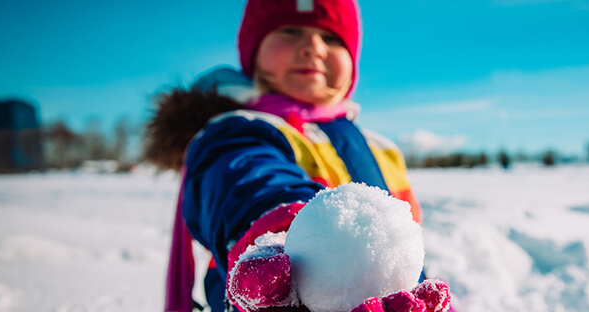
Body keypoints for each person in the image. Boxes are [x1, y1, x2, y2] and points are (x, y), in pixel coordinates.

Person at [144, 1, 430, 311]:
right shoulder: (237, 131)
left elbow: (407, 247)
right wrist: (283, 235)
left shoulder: (381, 149)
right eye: (291, 31)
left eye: (331, 38)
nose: (313, 47)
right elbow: (250, 184)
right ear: (255, 53)